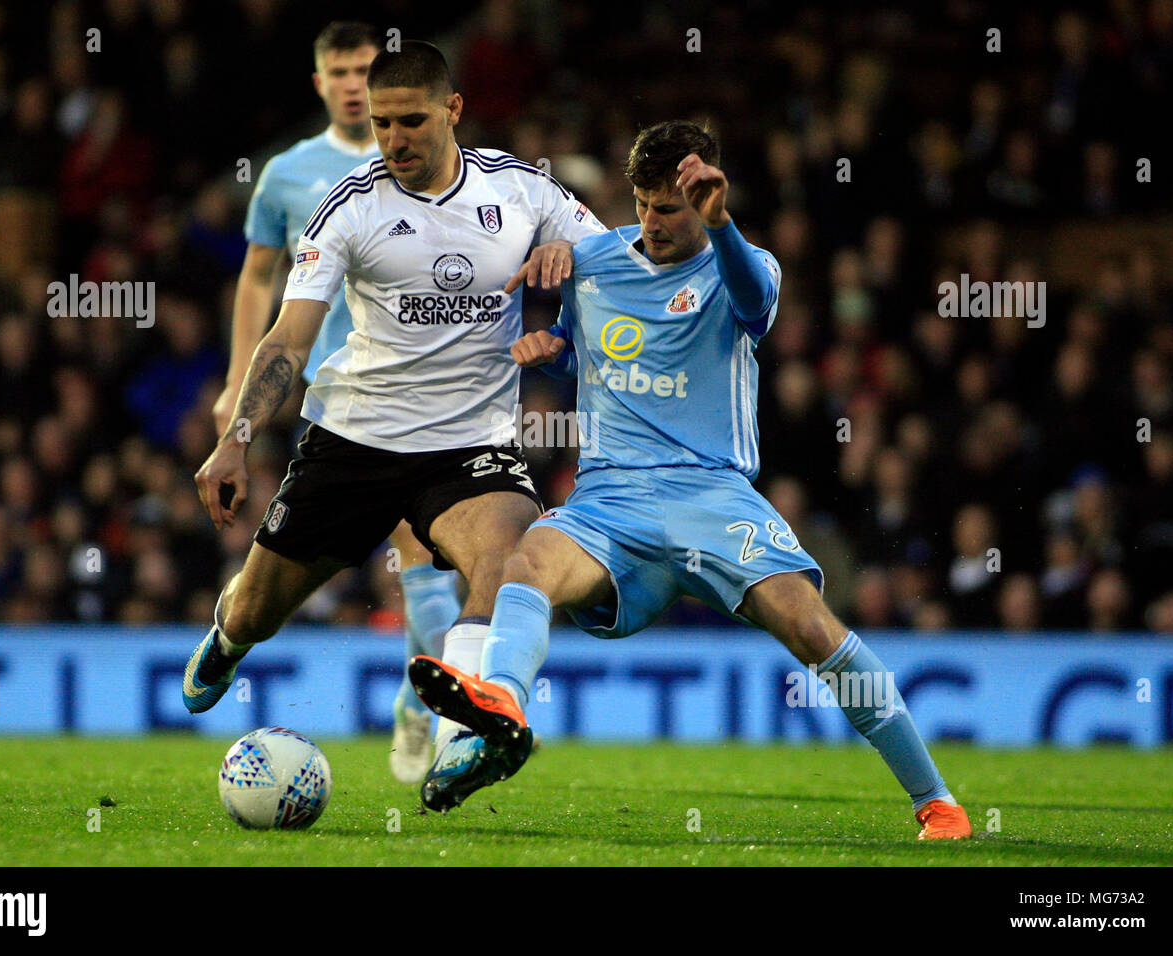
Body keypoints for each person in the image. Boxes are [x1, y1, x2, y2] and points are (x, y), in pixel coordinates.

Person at [407, 121, 972, 840]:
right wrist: (556, 354)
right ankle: (504, 710)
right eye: (643, 203)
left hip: (712, 496)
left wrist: (722, 224)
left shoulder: (748, 265)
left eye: (669, 207)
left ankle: (937, 801)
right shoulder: (593, 263)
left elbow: (752, 303)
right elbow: (597, 357)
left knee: (810, 626)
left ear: (704, 198)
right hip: (610, 502)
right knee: (526, 561)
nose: (652, 221)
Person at [184, 42, 606, 787]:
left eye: (411, 121)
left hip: (470, 446)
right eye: (381, 124)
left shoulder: (523, 192)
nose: (395, 140)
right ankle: (226, 636)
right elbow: (288, 339)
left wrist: (571, 264)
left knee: (508, 567)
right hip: (352, 441)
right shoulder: (350, 205)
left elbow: (618, 265)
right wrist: (235, 440)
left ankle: (461, 742)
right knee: (255, 613)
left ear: (453, 110)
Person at [209, 22, 457, 783]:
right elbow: (257, 278)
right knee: (281, 568)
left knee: (426, 555)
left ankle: (430, 711)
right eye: (340, 72)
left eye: (363, 70)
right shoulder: (289, 174)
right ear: (319, 84)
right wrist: (235, 387)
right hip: (321, 395)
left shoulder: (431, 168)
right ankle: (232, 629)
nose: (353, 83)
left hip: (412, 397)